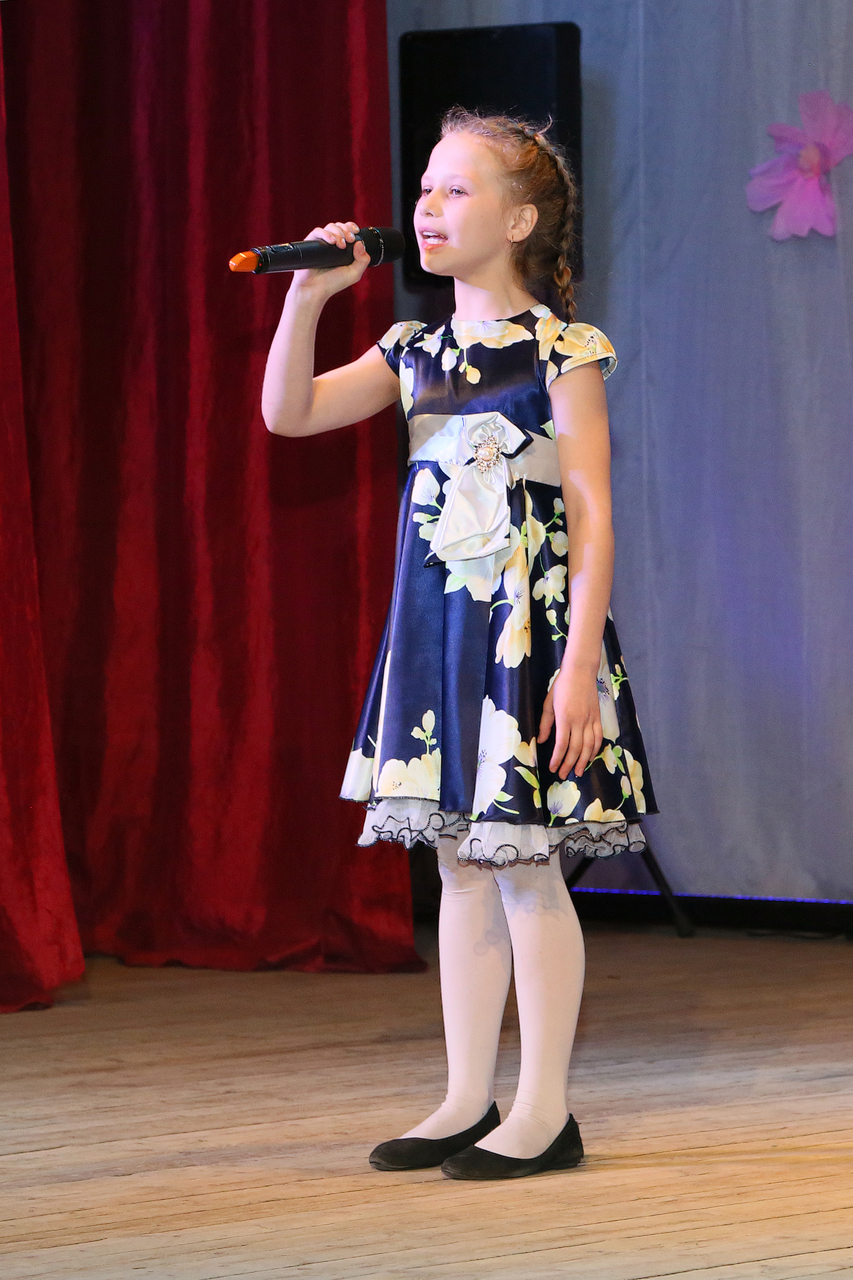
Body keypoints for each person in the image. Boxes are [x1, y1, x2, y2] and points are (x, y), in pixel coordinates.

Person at [261, 109, 657, 1181]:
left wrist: (577, 668)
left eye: (455, 188)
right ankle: (464, 1095)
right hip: (438, 636)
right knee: (460, 864)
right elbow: (288, 413)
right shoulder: (411, 351)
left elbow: (593, 516)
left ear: (518, 220)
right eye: (426, 187)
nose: (427, 206)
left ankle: (543, 1109)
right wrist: (308, 297)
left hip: (530, 639)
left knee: (523, 864)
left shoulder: (561, 350)